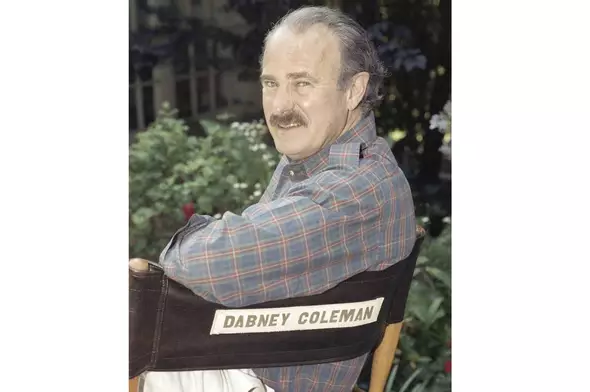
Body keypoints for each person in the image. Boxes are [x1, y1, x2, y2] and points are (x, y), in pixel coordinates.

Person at [143, 5, 417, 392]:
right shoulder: (322, 162)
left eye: (302, 83)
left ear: (354, 89)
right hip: (238, 357)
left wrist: (210, 231)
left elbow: (195, 262)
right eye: (270, 83)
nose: (281, 106)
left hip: (259, 377)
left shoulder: (352, 192)